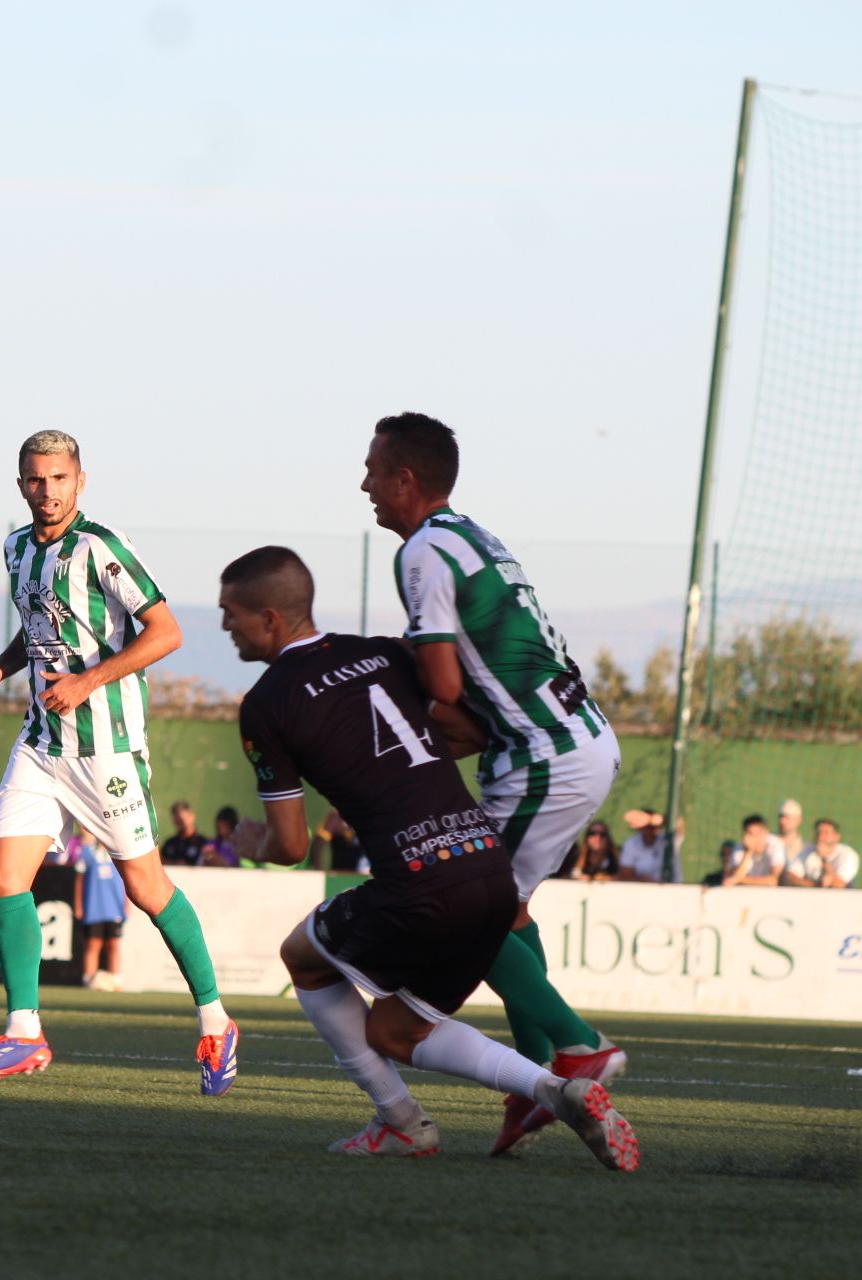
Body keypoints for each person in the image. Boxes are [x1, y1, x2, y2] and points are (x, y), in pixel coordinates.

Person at [219, 546, 637, 1169]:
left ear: (272, 619)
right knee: (395, 1031)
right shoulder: (383, 651)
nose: (226, 626)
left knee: (302, 960)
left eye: (233, 614)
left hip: (418, 882)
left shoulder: (267, 703)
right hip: (488, 871)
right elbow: (468, 730)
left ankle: (402, 1122)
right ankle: (556, 1088)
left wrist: (250, 842)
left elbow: (291, 845)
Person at [363, 412, 625, 1157]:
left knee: (461, 908)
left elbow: (443, 681)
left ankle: (579, 1049)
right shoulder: (474, 536)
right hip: (573, 739)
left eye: (374, 471)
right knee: (502, 911)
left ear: (406, 479)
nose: (366, 485)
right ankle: (533, 1087)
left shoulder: (421, 552)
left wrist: (394, 679)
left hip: (545, 754)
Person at [0, 429, 237, 1092]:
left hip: (105, 747)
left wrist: (90, 681)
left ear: (79, 481)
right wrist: (3, 665)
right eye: (35, 479)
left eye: (59, 478)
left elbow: (166, 632)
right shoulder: (16, 549)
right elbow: (40, 630)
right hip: (42, 740)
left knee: (145, 887)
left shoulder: (102, 547)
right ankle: (24, 1032)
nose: (47, 490)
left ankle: (217, 1020)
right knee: (3, 876)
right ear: (21, 483)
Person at [74, 837, 128, 991]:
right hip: (93, 907)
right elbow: (79, 881)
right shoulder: (86, 853)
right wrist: (79, 905)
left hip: (114, 907)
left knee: (114, 944)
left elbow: (126, 879)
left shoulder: (118, 852)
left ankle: (116, 981)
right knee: (93, 944)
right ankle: (88, 980)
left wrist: (127, 903)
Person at [782, 818, 859, 889]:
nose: (821, 837)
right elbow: (790, 877)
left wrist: (824, 859)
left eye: (826, 833)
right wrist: (815, 885)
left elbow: (838, 885)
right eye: (818, 833)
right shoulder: (807, 851)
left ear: (836, 837)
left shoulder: (847, 855)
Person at [614, 809, 682, 883]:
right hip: (641, 891)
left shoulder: (668, 840)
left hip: (673, 890)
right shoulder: (631, 844)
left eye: (652, 826)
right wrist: (645, 881)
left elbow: (678, 822)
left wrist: (651, 819)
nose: (649, 831)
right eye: (645, 827)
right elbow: (625, 874)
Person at [723, 815, 785, 887]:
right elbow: (734, 879)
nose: (756, 839)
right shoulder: (739, 848)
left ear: (766, 832)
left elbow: (773, 880)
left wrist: (740, 880)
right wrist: (748, 851)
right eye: (751, 834)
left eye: (759, 834)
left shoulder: (776, 844)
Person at [310, 809, 369, 873]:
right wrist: (319, 872)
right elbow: (318, 844)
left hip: (365, 874)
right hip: (341, 876)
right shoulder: (336, 818)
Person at [158, 800, 210, 866]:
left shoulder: (203, 843)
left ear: (192, 816)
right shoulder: (169, 843)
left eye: (182, 820)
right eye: (177, 821)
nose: (180, 824)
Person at [776, 799, 806, 863]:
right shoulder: (768, 842)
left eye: (788, 818)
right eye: (781, 817)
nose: (782, 821)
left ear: (799, 820)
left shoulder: (805, 849)